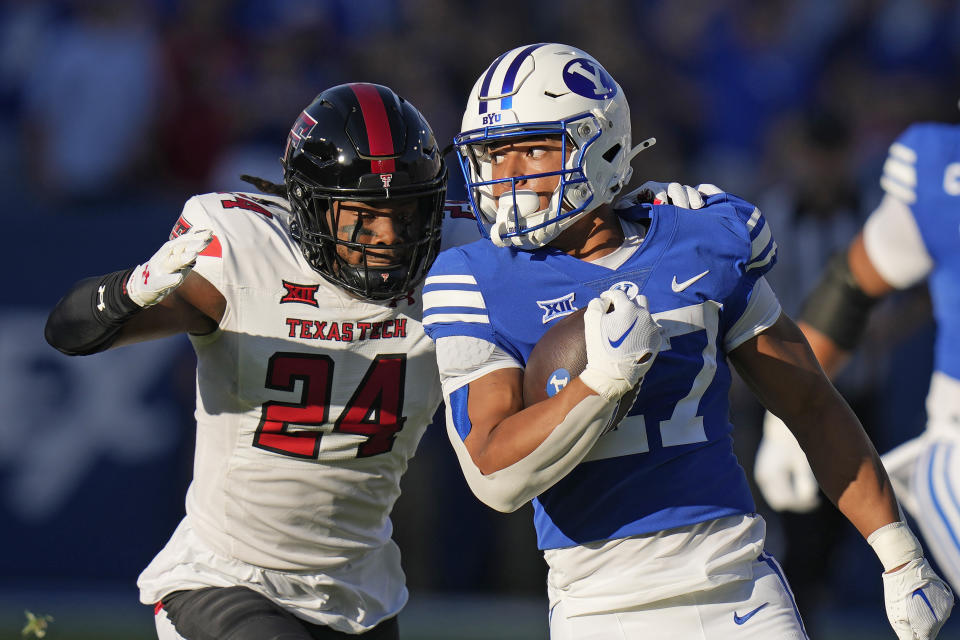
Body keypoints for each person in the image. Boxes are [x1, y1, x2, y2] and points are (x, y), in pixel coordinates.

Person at [421, 42, 953, 639]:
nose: (508, 173)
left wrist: (898, 552)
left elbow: (809, 401)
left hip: (738, 591)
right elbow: (494, 475)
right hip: (599, 607)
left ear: (603, 144)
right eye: (495, 153)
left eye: (533, 148)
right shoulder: (474, 277)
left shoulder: (698, 241)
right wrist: (601, 384)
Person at [44, 83, 477, 640]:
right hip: (228, 579)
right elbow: (67, 331)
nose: (389, 237)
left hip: (360, 593)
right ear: (313, 209)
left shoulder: (458, 267)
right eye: (363, 218)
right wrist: (133, 288)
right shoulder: (247, 255)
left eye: (406, 213)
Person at [754, 120, 960, 593]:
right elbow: (849, 287)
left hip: (868, 394)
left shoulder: (927, 169)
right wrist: (788, 412)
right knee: (805, 546)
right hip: (846, 399)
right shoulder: (939, 169)